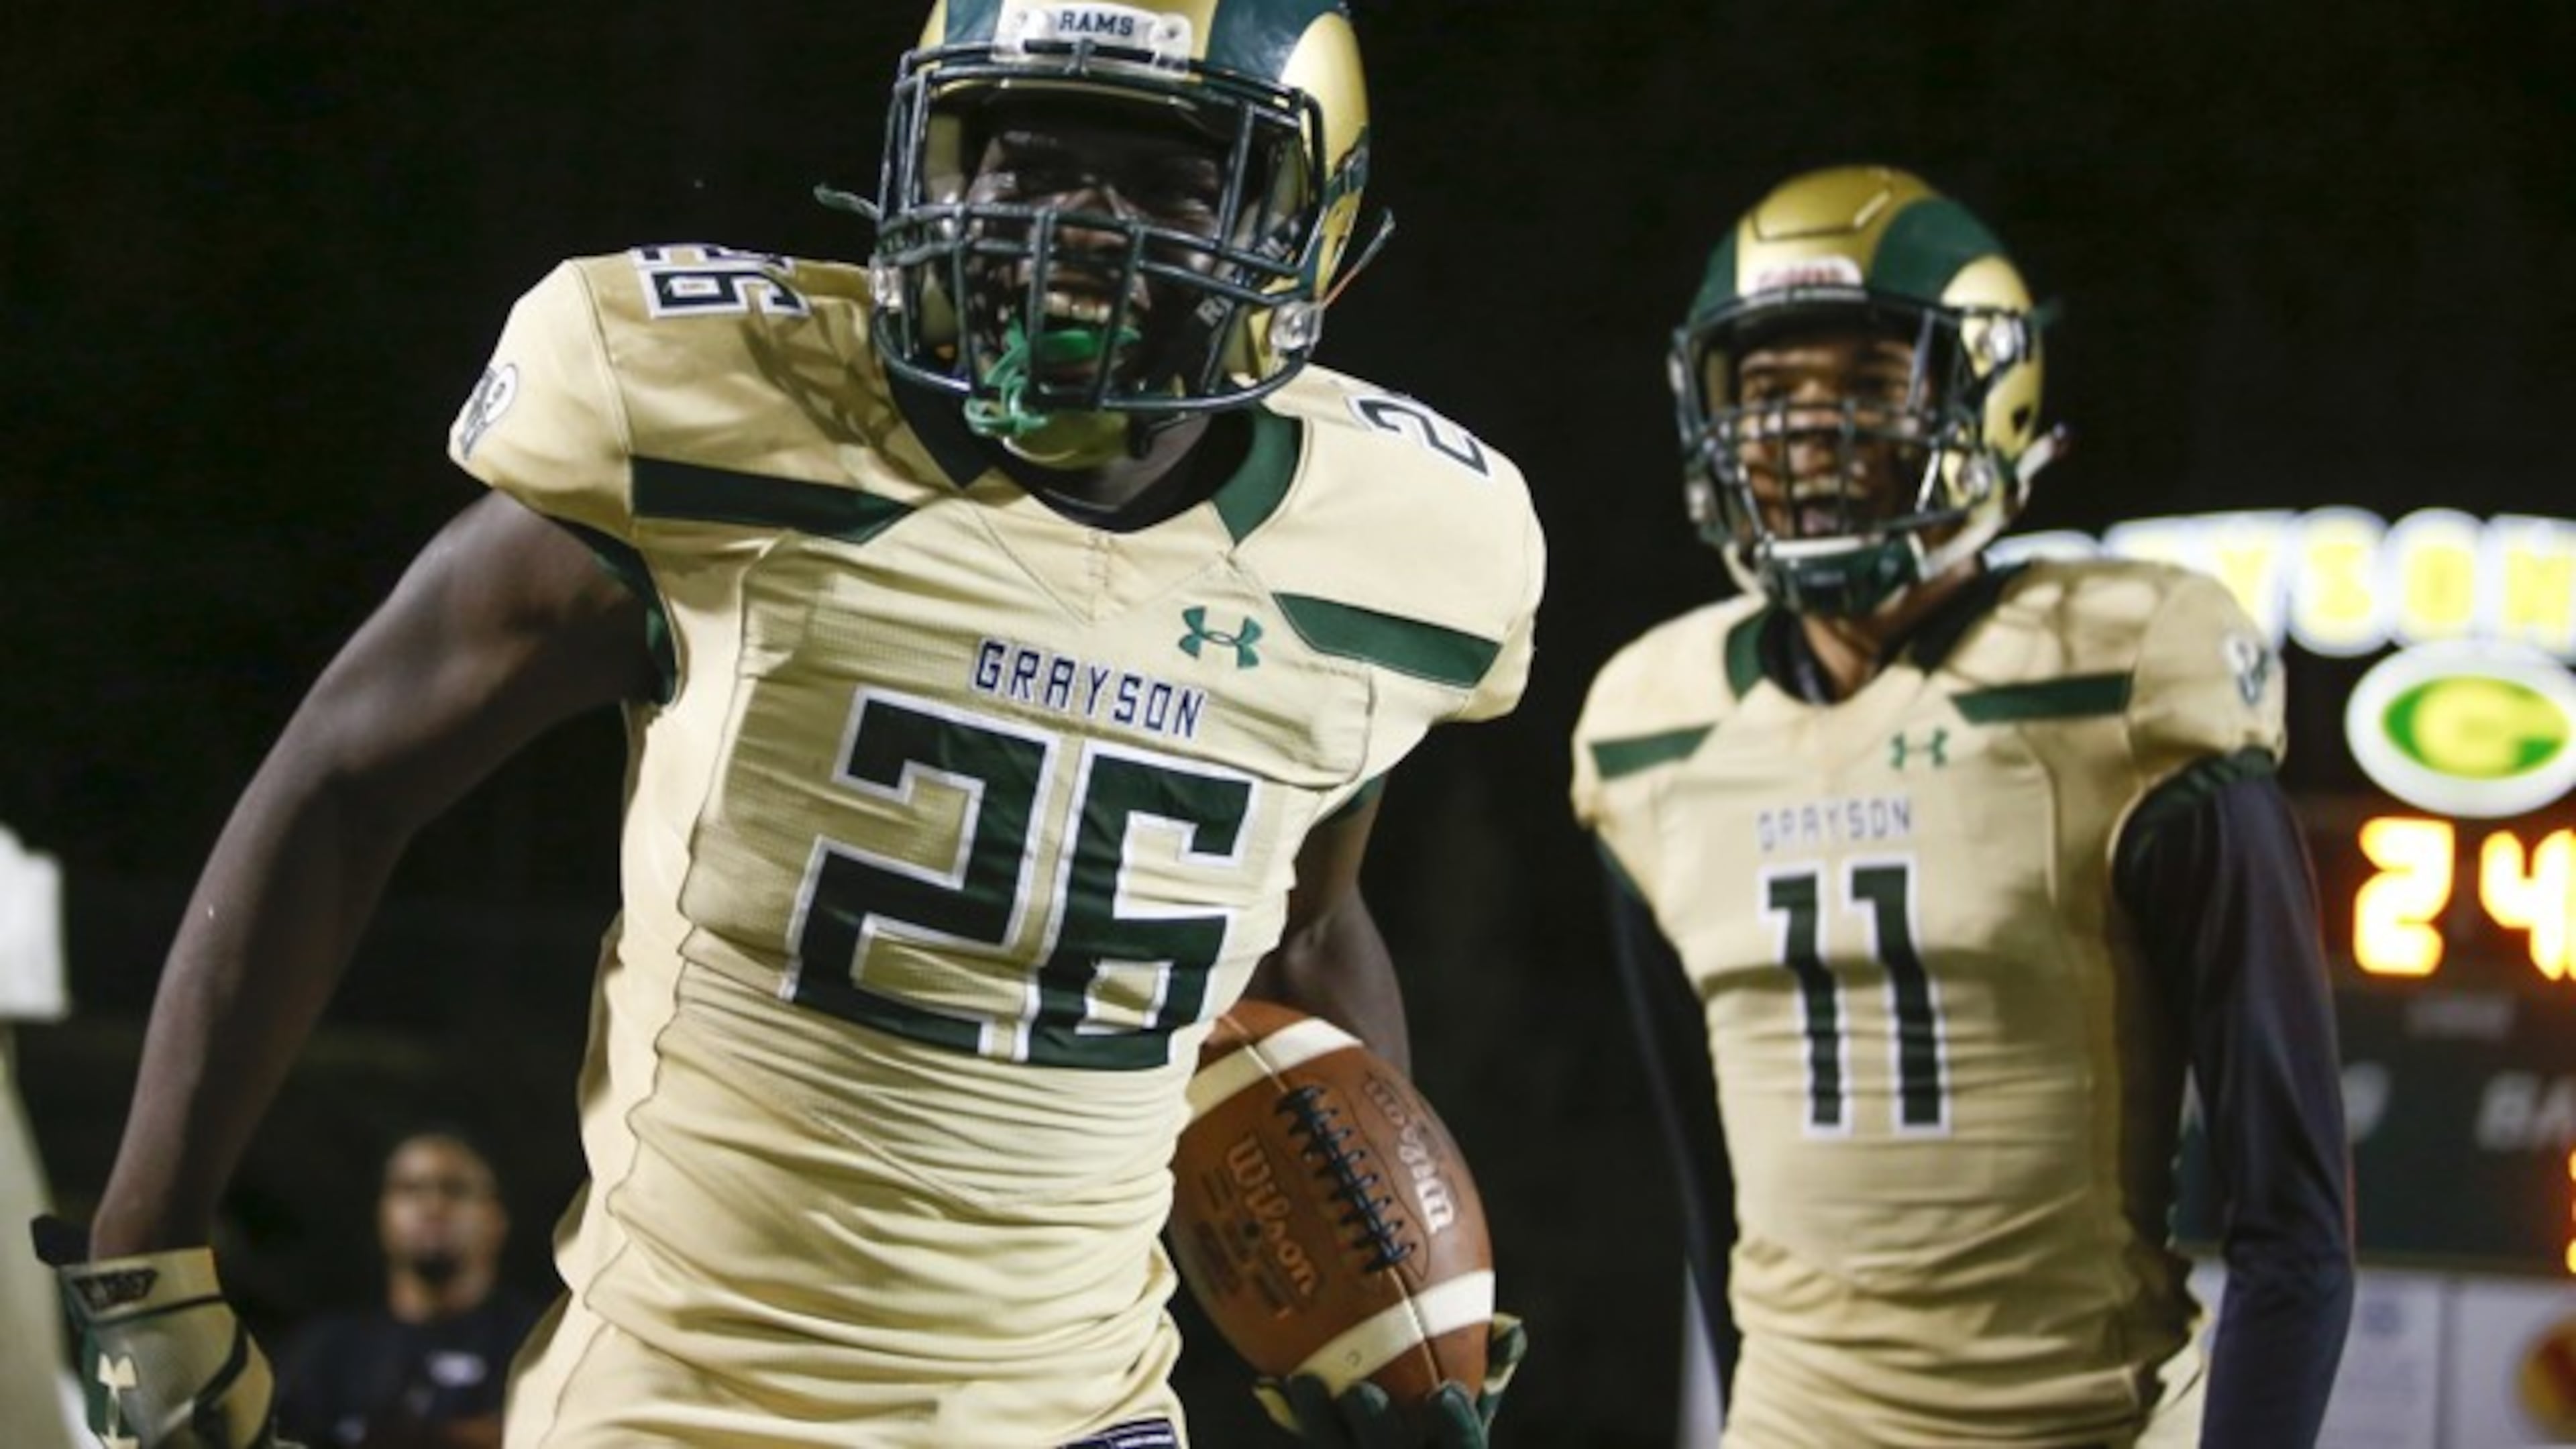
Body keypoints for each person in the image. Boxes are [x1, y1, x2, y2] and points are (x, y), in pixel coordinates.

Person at [36, 3, 1540, 1445]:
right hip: (690, 1405)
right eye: (1024, 157)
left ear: (1305, 232)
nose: (1080, 226)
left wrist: (1379, 1316)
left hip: (1084, 1415)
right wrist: (146, 1248)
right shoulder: (739, 418)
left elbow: (1302, 934)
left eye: (1171, 177)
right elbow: (346, 777)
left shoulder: (1394, 554)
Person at [1568, 164, 2354, 1447]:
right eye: (1769, 396)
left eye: (1869, 389)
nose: (1811, 437)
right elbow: (1712, 1207)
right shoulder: (1652, 730)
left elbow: (2296, 1226)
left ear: (1994, 402)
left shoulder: (2127, 673)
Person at [274, 1132, 543, 1449]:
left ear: (496, 1218)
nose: (433, 1207)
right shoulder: (326, 1352)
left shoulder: (538, 1344)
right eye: (410, 1189)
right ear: (382, 1214)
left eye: (455, 1190)